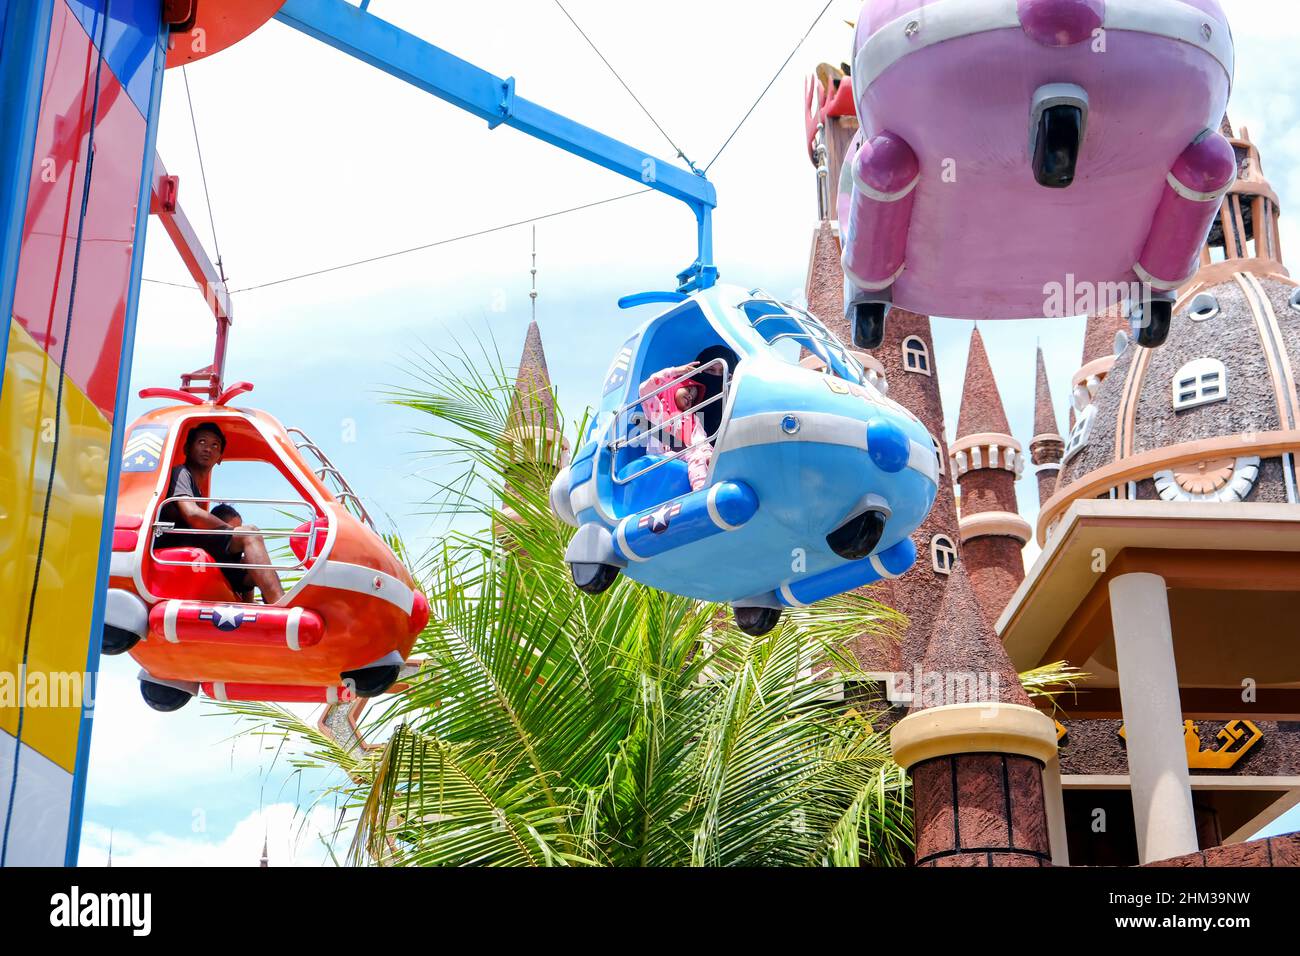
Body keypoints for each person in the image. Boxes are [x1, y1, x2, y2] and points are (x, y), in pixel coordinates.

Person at [154, 422, 284, 604]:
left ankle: (251, 610)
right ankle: (280, 605)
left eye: (215, 445)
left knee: (256, 565)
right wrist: (229, 530)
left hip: (196, 542)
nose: (208, 448)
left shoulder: (197, 490)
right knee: (249, 533)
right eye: (201, 442)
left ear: (220, 458)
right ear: (187, 448)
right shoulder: (181, 473)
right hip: (175, 542)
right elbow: (192, 515)